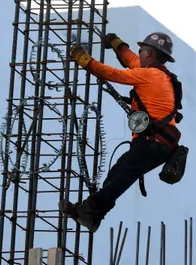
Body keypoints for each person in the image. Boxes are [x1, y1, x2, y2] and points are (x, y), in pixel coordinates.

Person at [59, 32, 184, 233]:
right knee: (120, 172)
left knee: (121, 176)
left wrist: (84, 59)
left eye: (142, 50)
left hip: (153, 142)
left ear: (150, 53)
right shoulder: (159, 73)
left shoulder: (149, 76)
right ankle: (92, 214)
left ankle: (89, 211)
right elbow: (132, 60)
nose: (139, 54)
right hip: (159, 144)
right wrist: (118, 45)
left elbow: (112, 73)